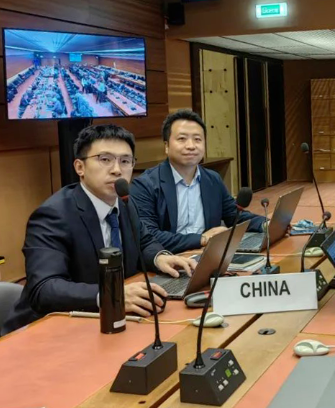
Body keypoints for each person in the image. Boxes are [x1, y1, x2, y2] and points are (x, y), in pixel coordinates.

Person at [1, 125, 196, 335]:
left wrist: (160, 257)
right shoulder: (53, 215)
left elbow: (144, 241)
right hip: (44, 331)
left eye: (125, 161)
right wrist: (111, 296)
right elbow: (44, 289)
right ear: (80, 167)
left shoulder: (124, 202)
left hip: (108, 322)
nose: (117, 170)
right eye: (105, 159)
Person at [131, 109, 265, 254]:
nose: (191, 146)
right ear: (166, 146)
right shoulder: (145, 185)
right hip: (169, 258)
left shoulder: (213, 179)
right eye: (182, 139)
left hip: (208, 256)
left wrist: (265, 224)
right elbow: (148, 235)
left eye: (197, 139)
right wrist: (201, 239)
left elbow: (234, 215)